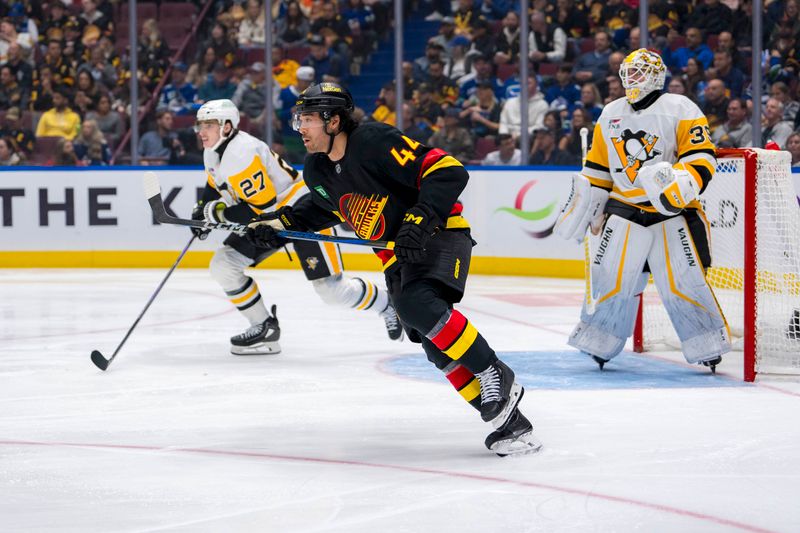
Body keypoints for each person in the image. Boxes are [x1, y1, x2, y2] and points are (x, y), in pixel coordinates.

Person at [246, 83, 542, 456]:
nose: (299, 128)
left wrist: (420, 216)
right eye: (298, 119)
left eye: (306, 119)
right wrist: (277, 226)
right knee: (436, 347)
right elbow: (323, 210)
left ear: (334, 121)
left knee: (418, 305)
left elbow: (448, 171)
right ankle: (511, 426)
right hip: (396, 257)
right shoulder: (318, 171)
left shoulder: (372, 141)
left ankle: (495, 372)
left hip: (438, 237)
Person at [554, 48, 729, 373]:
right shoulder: (610, 112)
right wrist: (589, 208)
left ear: (656, 76)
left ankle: (706, 343)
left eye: (639, 73)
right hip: (625, 207)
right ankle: (599, 341)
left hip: (670, 210)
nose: (631, 80)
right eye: (628, 73)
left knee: (683, 280)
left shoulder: (680, 107)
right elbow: (599, 168)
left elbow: (702, 156)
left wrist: (682, 183)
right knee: (607, 277)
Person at [190, 99, 403, 356]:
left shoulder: (240, 153)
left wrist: (215, 213)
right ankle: (264, 327)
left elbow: (260, 207)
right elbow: (215, 182)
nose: (201, 131)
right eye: (200, 125)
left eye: (208, 125)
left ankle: (386, 303)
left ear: (226, 127)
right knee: (224, 265)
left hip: (301, 214)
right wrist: (202, 208)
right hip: (268, 221)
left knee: (331, 291)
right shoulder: (213, 149)